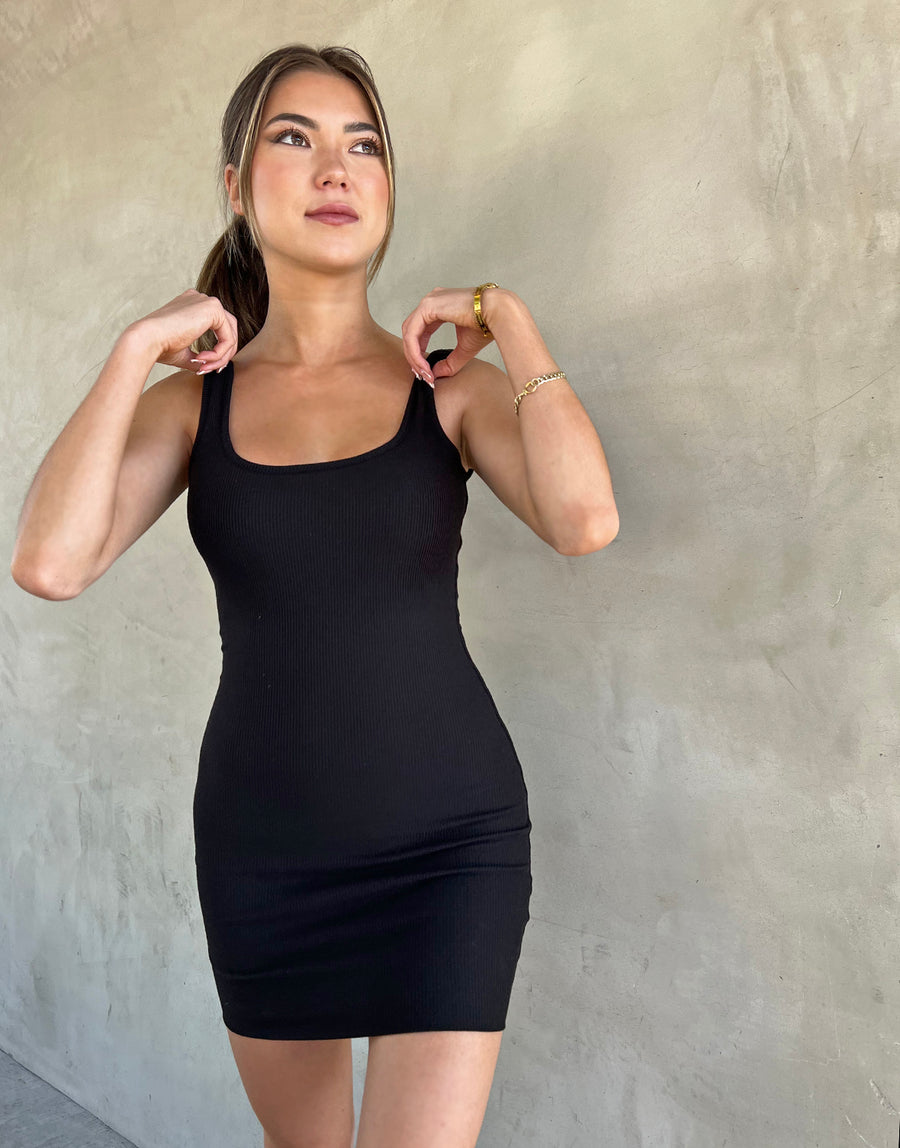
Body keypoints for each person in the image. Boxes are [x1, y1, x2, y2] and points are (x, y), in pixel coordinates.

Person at [10, 42, 618, 1148]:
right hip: (265, 851)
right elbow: (51, 564)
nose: (336, 167)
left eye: (363, 145)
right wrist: (135, 349)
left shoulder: (449, 390)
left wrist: (510, 317)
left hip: (452, 847)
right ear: (238, 187)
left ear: (385, 187)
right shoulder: (195, 406)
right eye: (294, 138)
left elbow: (585, 520)